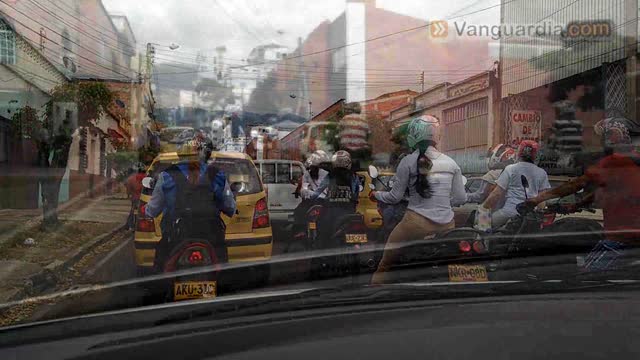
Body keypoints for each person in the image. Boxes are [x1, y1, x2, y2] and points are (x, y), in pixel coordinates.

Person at [524, 117, 640, 270]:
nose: (601, 141)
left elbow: (577, 184)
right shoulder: (634, 159)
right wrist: (575, 206)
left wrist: (536, 199)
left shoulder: (614, 161)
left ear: (613, 136)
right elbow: (604, 191)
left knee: (587, 277)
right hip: (632, 235)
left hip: (621, 236)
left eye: (605, 136)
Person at [369, 115, 467, 285]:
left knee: (385, 263)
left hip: (414, 224)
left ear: (414, 135)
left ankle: (372, 296)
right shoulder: (451, 163)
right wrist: (442, 202)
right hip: (446, 226)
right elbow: (460, 198)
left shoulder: (407, 162)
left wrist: (376, 195)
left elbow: (394, 197)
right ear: (437, 135)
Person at [146, 137, 236, 268]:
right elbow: (230, 207)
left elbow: (153, 210)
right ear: (205, 154)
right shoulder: (217, 175)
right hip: (211, 236)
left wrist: (146, 211)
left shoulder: (166, 176)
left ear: (179, 153)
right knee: (223, 271)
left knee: (160, 272)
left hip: (176, 237)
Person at [481, 140, 550, 229]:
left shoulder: (510, 169)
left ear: (519, 153)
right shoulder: (542, 173)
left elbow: (496, 194)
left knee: (484, 227)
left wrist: (483, 209)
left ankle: (483, 241)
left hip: (508, 213)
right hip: (529, 218)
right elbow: (542, 201)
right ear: (536, 155)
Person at [125, 163, 147, 230]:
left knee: (133, 211)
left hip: (135, 198)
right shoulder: (147, 177)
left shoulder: (130, 179)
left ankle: (129, 224)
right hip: (144, 198)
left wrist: (129, 195)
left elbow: (128, 190)